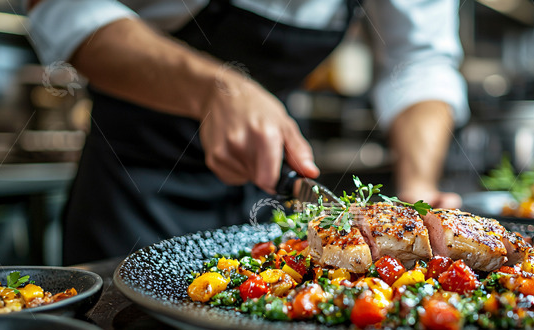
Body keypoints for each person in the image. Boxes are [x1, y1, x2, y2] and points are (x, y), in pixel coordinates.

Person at [26, 0, 470, 265]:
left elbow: (417, 60)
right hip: (135, 183)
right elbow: (63, 7)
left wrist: (417, 190)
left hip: (265, 178)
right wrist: (213, 88)